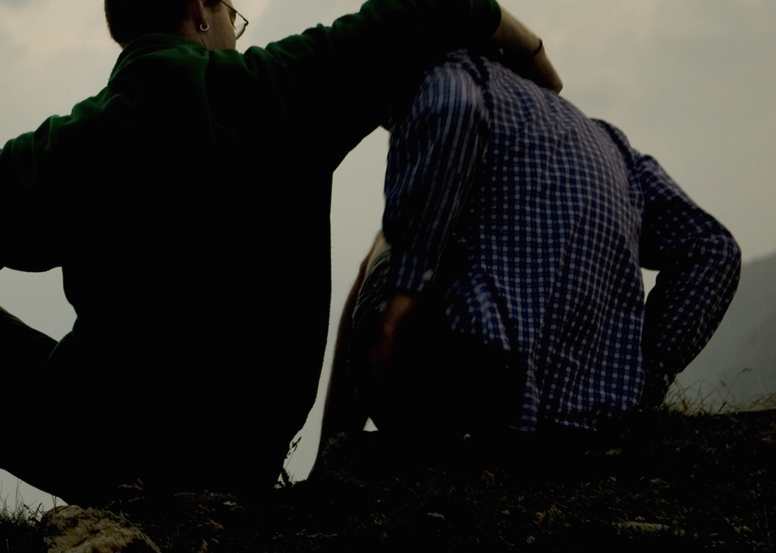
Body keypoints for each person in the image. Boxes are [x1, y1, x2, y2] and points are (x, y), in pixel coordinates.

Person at [0, 0, 564, 553]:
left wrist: (47, 227)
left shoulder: (70, 147)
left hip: (103, 453)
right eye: (232, 12)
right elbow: (442, 2)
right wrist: (538, 66)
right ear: (203, 3)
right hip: (243, 459)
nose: (235, 30)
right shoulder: (286, 88)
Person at [315, 49, 740, 459]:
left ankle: (338, 446)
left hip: (473, 398)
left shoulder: (453, 80)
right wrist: (640, 380)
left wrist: (402, 295)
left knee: (387, 242)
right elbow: (712, 250)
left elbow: (454, 107)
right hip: (585, 417)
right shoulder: (609, 142)